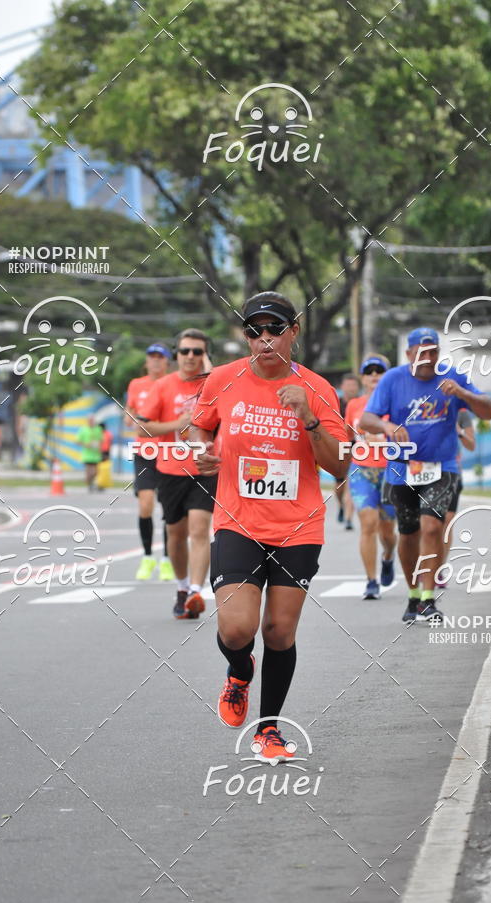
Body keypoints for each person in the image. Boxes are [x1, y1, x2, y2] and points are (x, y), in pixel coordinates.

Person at [191, 291, 349, 761]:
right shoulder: (222, 379)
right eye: (254, 331)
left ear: (293, 332)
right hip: (238, 521)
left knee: (279, 632)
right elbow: (201, 424)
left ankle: (269, 730)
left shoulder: (318, 388)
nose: (264, 340)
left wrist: (309, 419)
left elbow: (339, 467)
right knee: (238, 629)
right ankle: (239, 672)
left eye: (274, 330)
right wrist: (204, 449)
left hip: (297, 527)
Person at [360, 327, 491, 623]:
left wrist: (461, 393)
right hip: (402, 468)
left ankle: (428, 597)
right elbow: (366, 419)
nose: (427, 358)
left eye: (433, 351)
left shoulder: (452, 376)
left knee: (433, 527)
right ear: (409, 354)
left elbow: (489, 412)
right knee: (408, 534)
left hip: (441, 466)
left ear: (438, 353)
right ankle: (413, 595)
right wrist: (386, 427)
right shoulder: (393, 380)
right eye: (421, 352)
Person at [141, 329, 215, 619]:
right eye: (185, 351)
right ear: (177, 354)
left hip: (205, 467)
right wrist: (177, 422)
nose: (191, 357)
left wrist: (209, 374)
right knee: (176, 533)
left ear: (205, 356)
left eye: (198, 352)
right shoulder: (163, 386)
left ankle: (197, 590)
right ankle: (183, 587)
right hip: (170, 469)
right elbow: (142, 427)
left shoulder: (213, 385)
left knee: (199, 528)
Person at [345, 354, 397, 600]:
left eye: (379, 371)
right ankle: (371, 581)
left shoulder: (396, 403)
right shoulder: (354, 405)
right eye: (369, 371)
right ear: (363, 378)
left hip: (390, 470)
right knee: (368, 524)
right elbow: (346, 436)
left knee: (387, 533)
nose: (374, 375)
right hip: (361, 470)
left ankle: (388, 557)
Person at [125, 343, 173, 581]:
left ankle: (166, 559)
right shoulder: (136, 384)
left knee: (167, 508)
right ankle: (147, 556)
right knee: (145, 505)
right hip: (144, 451)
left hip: (168, 450)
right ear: (147, 361)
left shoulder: (172, 383)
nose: (155, 361)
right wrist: (131, 418)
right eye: (151, 357)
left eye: (160, 358)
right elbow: (129, 412)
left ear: (167, 362)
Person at [435, 408, 476, 587]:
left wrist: (459, 432)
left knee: (446, 522)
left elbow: (471, 445)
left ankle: (439, 568)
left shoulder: (461, 413)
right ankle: (424, 564)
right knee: (426, 523)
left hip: (451, 472)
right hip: (422, 471)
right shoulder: (419, 404)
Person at [336, 373, 359, 530]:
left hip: (358, 446)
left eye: (353, 385)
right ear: (342, 387)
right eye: (348, 385)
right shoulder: (335, 403)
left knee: (351, 482)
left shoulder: (362, 403)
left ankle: (349, 518)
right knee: (340, 483)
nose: (351, 388)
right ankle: (341, 506)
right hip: (339, 445)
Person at [77, 415, 103, 492]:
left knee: (95, 472)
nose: (91, 422)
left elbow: (101, 440)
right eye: (90, 420)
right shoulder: (83, 430)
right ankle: (90, 484)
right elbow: (78, 441)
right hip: (87, 455)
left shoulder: (98, 429)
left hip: (96, 454)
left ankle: (90, 483)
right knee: (89, 472)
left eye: (92, 420)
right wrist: (86, 444)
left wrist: (97, 444)